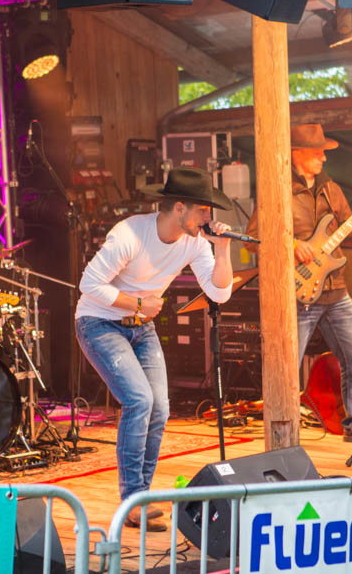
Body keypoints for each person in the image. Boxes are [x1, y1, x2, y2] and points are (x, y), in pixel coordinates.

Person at [75, 167, 234, 530]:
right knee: (140, 400)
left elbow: (219, 292)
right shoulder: (130, 234)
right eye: (203, 210)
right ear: (179, 208)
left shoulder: (196, 241)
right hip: (98, 322)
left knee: (160, 408)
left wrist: (222, 248)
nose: (208, 217)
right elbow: (89, 284)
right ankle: (132, 500)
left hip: (140, 326)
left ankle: (141, 498)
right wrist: (137, 303)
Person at [245, 123, 352, 442]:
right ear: (297, 154)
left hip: (336, 289)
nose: (324, 158)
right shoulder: (278, 191)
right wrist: (291, 244)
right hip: (298, 292)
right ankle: (284, 431)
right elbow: (254, 238)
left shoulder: (331, 188)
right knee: (288, 368)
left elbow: (350, 236)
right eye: (318, 152)